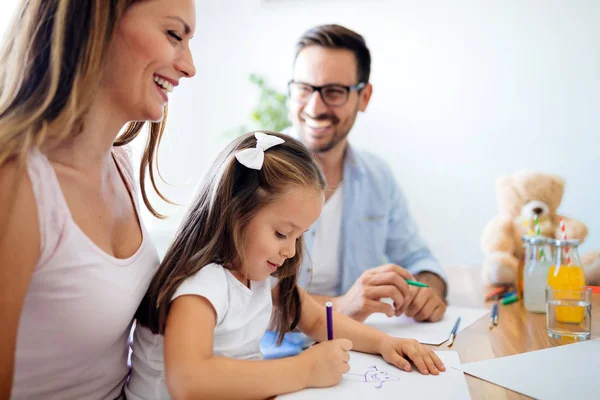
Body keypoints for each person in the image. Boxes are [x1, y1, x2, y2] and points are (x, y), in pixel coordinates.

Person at [127, 131, 445, 400]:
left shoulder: (262, 277)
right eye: (281, 233)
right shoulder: (201, 285)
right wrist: (304, 370)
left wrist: (385, 343)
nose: (291, 251)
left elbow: (320, 320)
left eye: (299, 236)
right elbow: (189, 381)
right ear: (236, 213)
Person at [0, 0, 196, 398]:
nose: (189, 66)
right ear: (95, 23)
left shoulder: (120, 166)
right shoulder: (16, 183)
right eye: (174, 35)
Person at [287, 24, 448, 323]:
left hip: (359, 349)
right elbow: (246, 296)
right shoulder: (255, 171)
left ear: (364, 97)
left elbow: (418, 259)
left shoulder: (377, 177)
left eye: (334, 92)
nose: (314, 106)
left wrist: (429, 289)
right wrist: (340, 307)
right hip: (271, 354)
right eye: (304, 89)